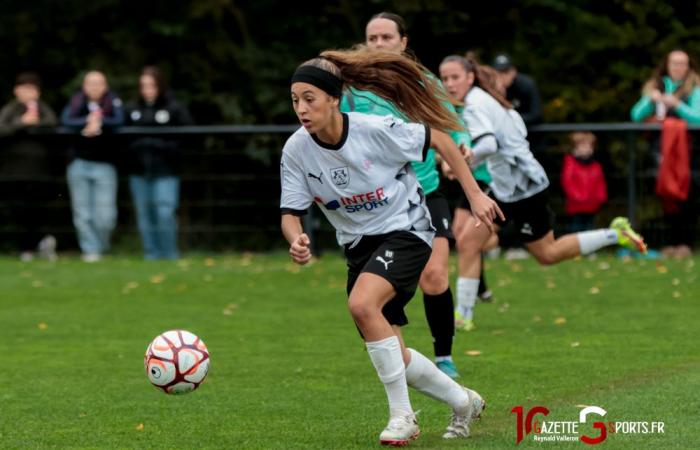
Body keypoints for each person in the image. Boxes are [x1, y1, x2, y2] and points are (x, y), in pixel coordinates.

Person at [281, 48, 503, 445]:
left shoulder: (373, 129)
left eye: (310, 98)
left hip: (407, 230)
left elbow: (442, 142)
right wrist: (295, 237)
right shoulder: (297, 149)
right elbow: (290, 212)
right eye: (296, 100)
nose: (301, 108)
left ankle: (403, 417)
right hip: (358, 247)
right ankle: (464, 401)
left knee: (362, 305)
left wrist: (473, 196)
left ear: (334, 99)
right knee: (393, 353)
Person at [439, 55, 647, 330]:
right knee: (468, 241)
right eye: (445, 79)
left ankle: (615, 234)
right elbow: (515, 133)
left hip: (523, 187)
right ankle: (462, 316)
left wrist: (463, 162)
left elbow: (488, 143)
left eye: (455, 77)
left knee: (547, 254)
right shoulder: (485, 101)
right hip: (508, 186)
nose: (450, 84)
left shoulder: (476, 104)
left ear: (470, 78)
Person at [340, 11, 472, 379]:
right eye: (373, 38)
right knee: (375, 292)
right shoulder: (351, 89)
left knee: (435, 276)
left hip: (426, 191)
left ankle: (443, 356)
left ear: (403, 42)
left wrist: (460, 147)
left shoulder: (422, 80)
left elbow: (448, 123)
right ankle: (395, 351)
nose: (379, 44)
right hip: (381, 202)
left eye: (386, 37)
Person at [631, 49, 700, 259]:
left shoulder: (695, 89)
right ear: (666, 65)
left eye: (683, 64)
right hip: (660, 154)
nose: (679, 67)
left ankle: (685, 243)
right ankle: (670, 243)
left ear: (688, 67)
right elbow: (635, 116)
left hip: (689, 153)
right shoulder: (655, 87)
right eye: (674, 63)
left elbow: (697, 119)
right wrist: (651, 101)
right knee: (666, 194)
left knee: (686, 194)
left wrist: (677, 105)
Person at [126, 66, 193, 260]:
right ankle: (151, 255)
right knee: (144, 216)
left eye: (151, 85)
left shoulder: (174, 108)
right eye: (143, 86)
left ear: (160, 86)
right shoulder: (132, 109)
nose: (147, 90)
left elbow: (186, 137)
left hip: (166, 172)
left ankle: (169, 254)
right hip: (139, 172)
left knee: (164, 213)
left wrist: (157, 145)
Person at [61, 70, 124, 262]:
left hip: (104, 165)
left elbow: (120, 121)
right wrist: (87, 121)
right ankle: (90, 251)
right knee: (82, 213)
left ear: (105, 86)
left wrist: (100, 121)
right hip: (79, 164)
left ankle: (101, 246)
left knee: (106, 215)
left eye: (99, 83)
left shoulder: (113, 103)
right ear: (84, 86)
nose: (94, 87)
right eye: (91, 83)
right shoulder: (76, 103)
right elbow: (65, 121)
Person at [0, 72, 58, 261]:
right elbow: (2, 129)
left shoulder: (42, 109)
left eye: (32, 89)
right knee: (19, 211)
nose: (28, 93)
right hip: (14, 172)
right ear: (16, 90)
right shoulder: (9, 110)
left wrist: (36, 122)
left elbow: (52, 123)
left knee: (39, 211)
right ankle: (26, 249)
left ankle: (40, 245)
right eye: (24, 88)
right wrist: (22, 123)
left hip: (40, 171)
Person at [561, 132, 608, 233]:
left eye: (589, 146)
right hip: (576, 206)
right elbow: (567, 183)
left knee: (590, 229)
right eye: (583, 146)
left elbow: (600, 184)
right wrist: (577, 196)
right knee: (576, 230)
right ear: (575, 148)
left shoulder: (596, 166)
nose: (587, 149)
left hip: (592, 205)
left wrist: (601, 197)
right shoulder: (570, 164)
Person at [491, 54, 543, 127]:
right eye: (498, 73)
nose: (502, 76)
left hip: (529, 131)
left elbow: (536, 115)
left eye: (505, 72)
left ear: (513, 71)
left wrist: (509, 119)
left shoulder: (526, 85)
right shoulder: (491, 87)